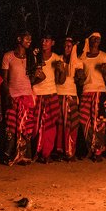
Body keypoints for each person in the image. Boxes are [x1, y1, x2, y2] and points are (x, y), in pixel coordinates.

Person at [1, 32, 36, 165]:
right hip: (13, 95)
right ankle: (9, 155)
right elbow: (4, 80)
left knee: (25, 127)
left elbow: (32, 79)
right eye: (27, 38)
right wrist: (7, 95)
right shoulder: (8, 56)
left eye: (30, 38)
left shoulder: (31, 57)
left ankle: (24, 156)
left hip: (27, 95)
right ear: (19, 39)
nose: (29, 40)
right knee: (11, 127)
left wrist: (37, 75)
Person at [30, 33, 65, 162]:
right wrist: (36, 78)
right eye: (42, 40)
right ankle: (35, 151)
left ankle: (46, 153)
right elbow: (29, 80)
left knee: (50, 127)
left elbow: (60, 81)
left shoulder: (56, 58)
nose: (44, 42)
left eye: (47, 40)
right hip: (37, 94)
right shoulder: (33, 57)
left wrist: (62, 70)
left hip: (51, 94)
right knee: (35, 126)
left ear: (53, 43)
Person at [79, 32, 106, 160]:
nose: (96, 40)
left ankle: (98, 151)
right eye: (93, 38)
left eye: (98, 38)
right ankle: (91, 148)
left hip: (100, 92)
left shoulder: (105, 56)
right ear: (88, 40)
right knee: (84, 121)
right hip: (86, 91)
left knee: (99, 123)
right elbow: (80, 79)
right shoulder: (82, 58)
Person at [55, 36, 84, 161]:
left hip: (71, 95)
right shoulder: (58, 59)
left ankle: (71, 151)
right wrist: (61, 69)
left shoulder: (78, 62)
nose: (66, 48)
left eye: (69, 46)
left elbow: (80, 82)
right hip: (59, 94)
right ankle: (60, 152)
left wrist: (80, 76)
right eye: (65, 46)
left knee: (73, 125)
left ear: (73, 48)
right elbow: (59, 81)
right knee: (60, 126)